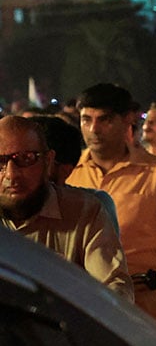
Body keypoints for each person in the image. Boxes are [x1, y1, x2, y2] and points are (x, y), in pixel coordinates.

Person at [66, 83, 156, 339]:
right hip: (84, 307)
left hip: (149, 306)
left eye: (104, 120)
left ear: (127, 120)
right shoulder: (69, 173)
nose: (94, 129)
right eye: (87, 120)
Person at [0, 116, 132, 299]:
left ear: (48, 161)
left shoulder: (85, 211)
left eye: (26, 159)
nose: (11, 174)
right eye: (0, 162)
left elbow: (114, 291)